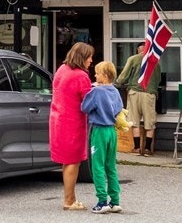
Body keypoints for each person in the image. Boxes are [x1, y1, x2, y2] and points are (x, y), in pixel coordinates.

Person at [48, 40, 94, 210]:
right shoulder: (81, 76)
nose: (91, 61)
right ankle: (69, 201)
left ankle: (71, 198)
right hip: (72, 123)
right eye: (89, 57)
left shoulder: (62, 69)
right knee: (73, 161)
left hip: (57, 120)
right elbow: (88, 102)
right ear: (82, 57)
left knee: (67, 162)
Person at [82, 61, 124, 212]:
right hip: (112, 131)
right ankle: (115, 200)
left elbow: (84, 107)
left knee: (97, 166)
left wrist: (91, 90)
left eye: (97, 73)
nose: (95, 75)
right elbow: (119, 108)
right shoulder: (115, 91)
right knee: (110, 166)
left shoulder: (96, 91)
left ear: (104, 76)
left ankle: (102, 201)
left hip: (99, 130)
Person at [117, 48, 160, 155]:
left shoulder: (133, 59)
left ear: (138, 49)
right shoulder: (155, 62)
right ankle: (147, 149)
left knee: (134, 120)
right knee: (150, 121)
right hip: (149, 93)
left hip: (134, 93)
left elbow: (123, 77)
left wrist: (118, 82)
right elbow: (158, 79)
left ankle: (136, 148)